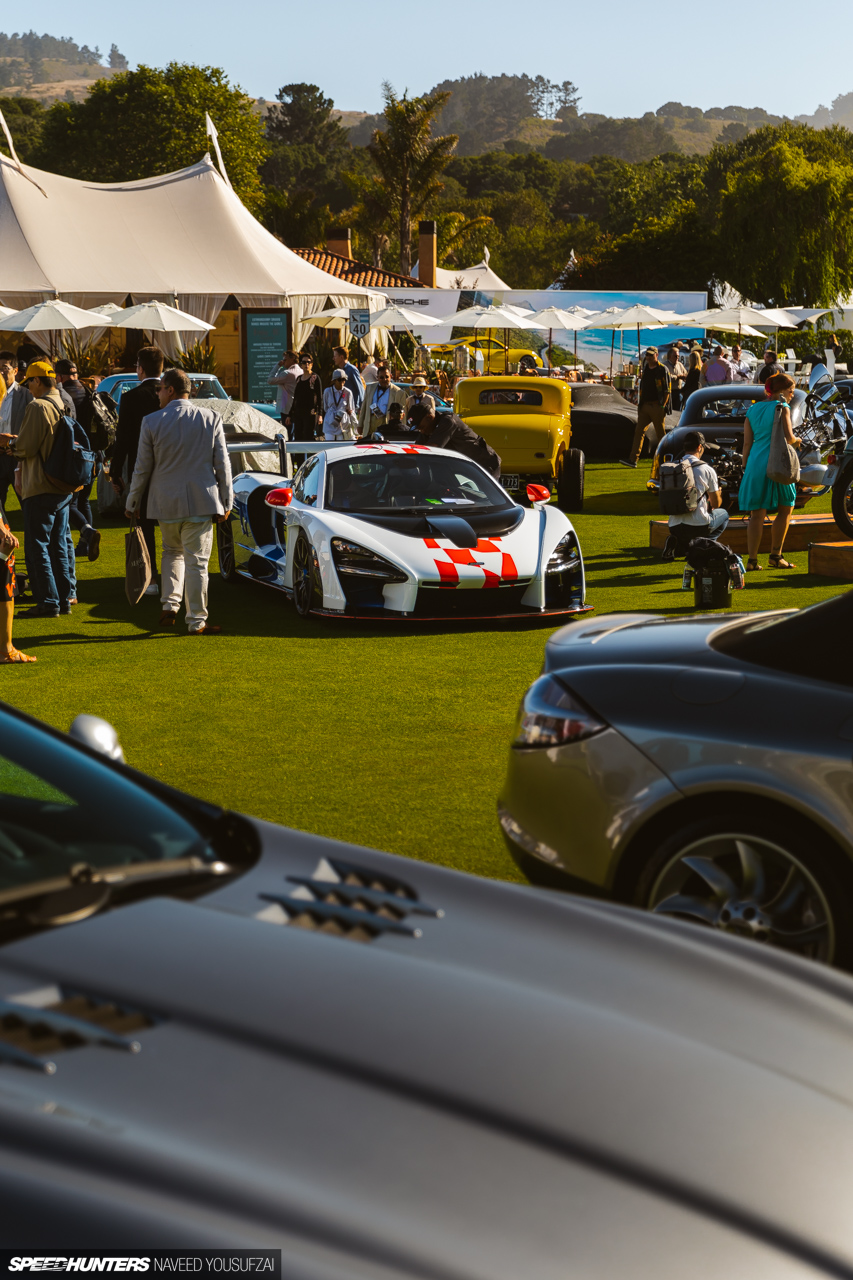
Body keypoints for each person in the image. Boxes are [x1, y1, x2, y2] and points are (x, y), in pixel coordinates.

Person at [124, 368, 232, 635]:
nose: (157, 393)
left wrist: (132, 500)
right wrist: (227, 500)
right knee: (197, 562)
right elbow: (223, 464)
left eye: (160, 389)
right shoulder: (210, 418)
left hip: (165, 502)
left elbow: (142, 467)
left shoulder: (151, 421)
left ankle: (169, 604)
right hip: (201, 501)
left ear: (170, 390)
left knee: (171, 552)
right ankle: (196, 620)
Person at [4, 361, 75, 618]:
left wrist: (11, 444)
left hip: (41, 484)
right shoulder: (63, 402)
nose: (29, 388)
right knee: (58, 545)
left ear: (37, 381)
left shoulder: (38, 406)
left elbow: (26, 449)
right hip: (62, 485)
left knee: (38, 546)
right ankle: (64, 599)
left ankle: (48, 601)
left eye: (30, 382)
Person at [111, 345, 164, 596]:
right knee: (172, 526)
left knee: (144, 526)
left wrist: (114, 472)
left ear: (141, 369)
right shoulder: (171, 394)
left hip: (140, 467)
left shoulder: (131, 397)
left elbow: (122, 439)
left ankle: (150, 578)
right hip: (170, 468)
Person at [738, 371, 801, 572]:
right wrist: (798, 441)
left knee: (756, 514)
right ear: (782, 392)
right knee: (785, 509)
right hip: (778, 462)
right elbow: (790, 438)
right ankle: (776, 555)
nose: (792, 395)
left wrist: (744, 466)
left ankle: (752, 560)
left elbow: (747, 443)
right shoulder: (783, 407)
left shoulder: (753, 410)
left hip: (756, 463)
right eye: (790, 391)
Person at [55, 358, 100, 560]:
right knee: (85, 502)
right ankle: (85, 544)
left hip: (75, 457)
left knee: (69, 503)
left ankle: (87, 532)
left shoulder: (63, 395)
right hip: (95, 456)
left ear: (60, 376)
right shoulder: (89, 391)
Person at [660, 430, 729, 561]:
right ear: (699, 447)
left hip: (674, 526)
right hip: (698, 525)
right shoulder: (707, 469)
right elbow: (715, 504)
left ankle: (679, 546)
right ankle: (701, 547)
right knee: (724, 514)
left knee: (686, 531)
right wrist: (718, 493)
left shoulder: (674, 467)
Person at [411, 407, 501, 478]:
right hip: (466, 469)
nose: (421, 431)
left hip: (484, 465)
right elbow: (417, 451)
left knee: (487, 500)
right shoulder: (427, 429)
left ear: (430, 417)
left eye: (421, 427)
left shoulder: (448, 421)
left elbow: (431, 449)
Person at [620, 348, 671, 469]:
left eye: (650, 355)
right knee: (639, 432)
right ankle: (633, 459)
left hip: (656, 406)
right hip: (645, 406)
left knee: (661, 435)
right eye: (647, 355)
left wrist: (663, 405)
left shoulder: (662, 369)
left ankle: (667, 459)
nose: (648, 357)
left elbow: (667, 390)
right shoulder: (646, 367)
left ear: (656, 355)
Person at [0, 351, 32, 512]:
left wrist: (17, 443)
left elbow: (32, 426)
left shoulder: (26, 394)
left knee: (25, 501)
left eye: (4, 368)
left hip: (16, 456)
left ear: (15, 370)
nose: (1, 372)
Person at [358, 362, 407, 437]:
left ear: (391, 376)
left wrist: (401, 431)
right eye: (381, 377)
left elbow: (402, 414)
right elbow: (364, 408)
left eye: (387, 377)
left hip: (386, 423)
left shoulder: (399, 392)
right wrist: (360, 425)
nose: (384, 379)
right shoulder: (370, 388)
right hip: (370, 422)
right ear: (377, 377)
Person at [285, 352, 323, 442]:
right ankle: (299, 457)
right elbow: (296, 398)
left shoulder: (315, 378)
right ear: (300, 365)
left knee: (308, 437)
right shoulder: (299, 379)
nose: (306, 364)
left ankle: (310, 456)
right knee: (298, 438)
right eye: (304, 362)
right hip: (298, 413)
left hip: (310, 413)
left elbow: (320, 397)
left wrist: (320, 414)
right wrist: (289, 415)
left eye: (309, 362)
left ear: (312, 364)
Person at [267, 351, 302, 427]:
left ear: (292, 359)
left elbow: (270, 380)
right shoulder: (301, 371)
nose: (283, 361)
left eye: (285, 359)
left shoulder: (287, 373)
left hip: (286, 408)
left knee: (287, 433)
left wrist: (277, 366)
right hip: (297, 406)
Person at [322, 369, 358, 441]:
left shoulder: (348, 392)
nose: (342, 382)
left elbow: (351, 408)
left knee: (340, 446)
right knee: (329, 444)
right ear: (334, 380)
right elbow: (325, 407)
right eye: (339, 380)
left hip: (342, 424)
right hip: (329, 422)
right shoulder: (327, 391)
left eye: (344, 380)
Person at [332, 346, 365, 411]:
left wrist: (362, 407)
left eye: (335, 356)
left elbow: (360, 388)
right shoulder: (339, 371)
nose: (333, 358)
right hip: (342, 407)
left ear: (341, 357)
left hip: (352, 408)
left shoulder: (351, 369)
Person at [662, 346, 687, 411]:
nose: (677, 358)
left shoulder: (680, 365)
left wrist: (684, 376)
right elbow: (667, 377)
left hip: (678, 392)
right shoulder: (665, 366)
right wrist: (678, 377)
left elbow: (686, 374)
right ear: (670, 356)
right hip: (669, 393)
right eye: (675, 356)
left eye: (678, 356)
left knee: (677, 412)